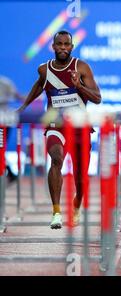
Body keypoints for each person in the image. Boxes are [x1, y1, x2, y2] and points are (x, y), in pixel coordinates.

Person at [17, 30, 101, 229]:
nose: (63, 48)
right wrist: (22, 108)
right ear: (53, 47)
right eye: (59, 44)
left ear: (71, 47)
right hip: (56, 125)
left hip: (80, 126)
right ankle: (56, 212)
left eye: (66, 45)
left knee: (81, 178)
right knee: (56, 159)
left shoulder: (81, 67)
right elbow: (39, 86)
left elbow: (97, 98)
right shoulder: (44, 69)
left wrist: (78, 86)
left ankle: (77, 204)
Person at [0, 75, 25, 184]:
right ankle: (10, 173)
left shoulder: (5, 82)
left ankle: (10, 173)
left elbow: (18, 96)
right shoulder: (5, 82)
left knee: (0, 149)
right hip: (5, 119)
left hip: (4, 120)